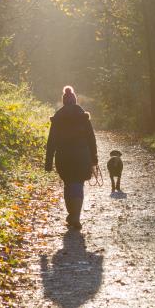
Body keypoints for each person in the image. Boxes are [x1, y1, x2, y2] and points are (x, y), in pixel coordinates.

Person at [44, 86, 98, 229]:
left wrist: (48, 162)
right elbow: (91, 139)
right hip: (82, 156)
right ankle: (75, 216)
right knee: (78, 184)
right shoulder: (82, 115)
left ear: (63, 101)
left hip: (64, 157)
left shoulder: (58, 116)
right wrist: (94, 158)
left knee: (68, 184)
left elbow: (52, 141)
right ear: (74, 100)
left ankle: (72, 215)